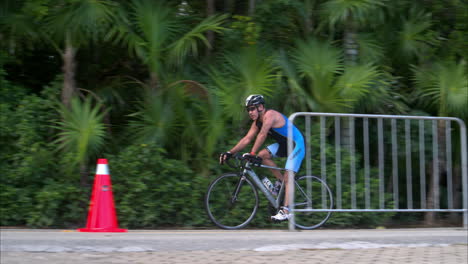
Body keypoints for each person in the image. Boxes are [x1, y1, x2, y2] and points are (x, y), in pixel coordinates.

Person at [219, 94, 305, 221]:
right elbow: (247, 139)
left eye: (252, 108)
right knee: (262, 156)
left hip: (296, 144)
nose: (250, 112)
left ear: (261, 107)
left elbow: (262, 134)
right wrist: (229, 152)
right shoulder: (256, 122)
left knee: (288, 175)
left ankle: (286, 210)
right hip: (285, 145)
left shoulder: (270, 115)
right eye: (248, 109)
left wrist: (251, 153)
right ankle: (281, 183)